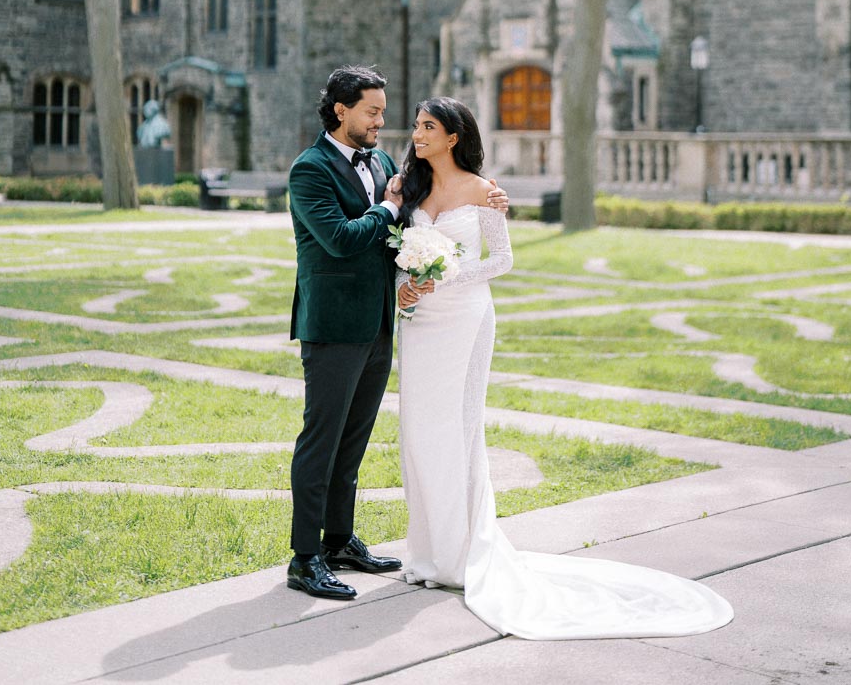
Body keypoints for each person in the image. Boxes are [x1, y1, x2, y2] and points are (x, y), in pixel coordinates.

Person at [389, 96, 734, 640]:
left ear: (453, 137)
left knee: (459, 429)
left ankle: (460, 556)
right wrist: (408, 286)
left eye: (427, 126)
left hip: (465, 318)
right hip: (419, 323)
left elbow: (502, 259)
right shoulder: (405, 189)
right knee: (417, 432)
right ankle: (427, 554)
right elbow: (392, 249)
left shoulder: (483, 191)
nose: (416, 133)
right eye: (417, 125)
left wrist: (445, 276)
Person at [286, 65, 507, 602]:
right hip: (333, 326)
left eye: (386, 112)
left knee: (354, 439)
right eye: (373, 111)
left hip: (387, 322)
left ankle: (339, 541)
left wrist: (488, 205)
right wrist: (386, 206)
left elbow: (412, 228)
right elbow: (341, 239)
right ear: (341, 110)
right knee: (322, 438)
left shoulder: (385, 162)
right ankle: (305, 556)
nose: (384, 122)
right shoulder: (309, 170)